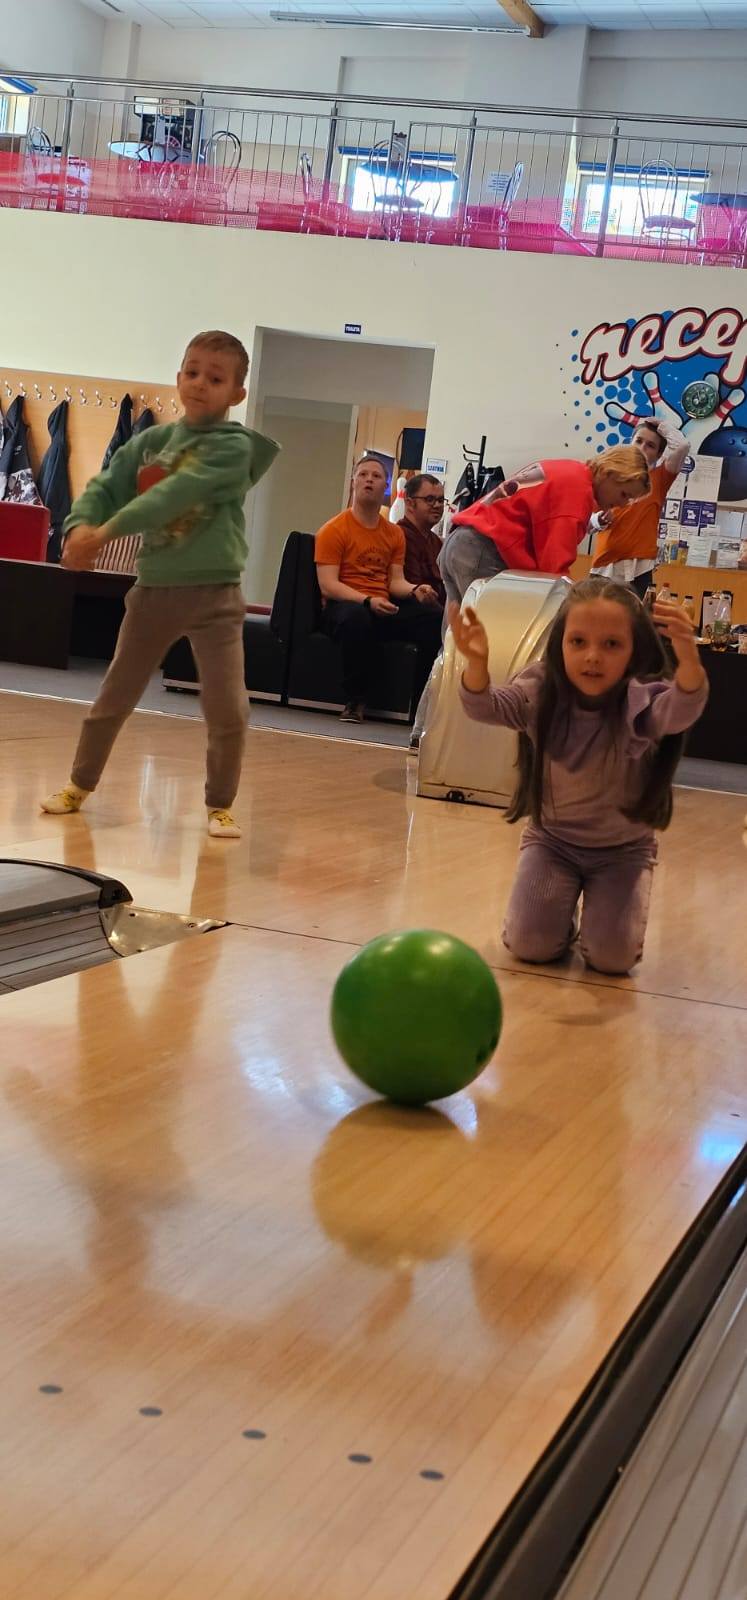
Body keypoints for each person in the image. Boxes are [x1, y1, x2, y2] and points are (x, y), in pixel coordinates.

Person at [40, 330, 279, 839]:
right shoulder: (151, 443)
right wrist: (78, 526)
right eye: (192, 372)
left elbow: (174, 494)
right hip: (153, 593)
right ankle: (79, 784)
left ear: (237, 393)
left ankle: (219, 804)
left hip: (216, 596)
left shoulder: (235, 447)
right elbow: (107, 485)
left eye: (215, 378)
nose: (200, 384)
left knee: (227, 707)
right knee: (115, 695)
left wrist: (103, 534)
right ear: (178, 377)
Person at [451, 577, 708, 975]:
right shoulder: (540, 688)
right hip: (552, 843)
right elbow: (484, 707)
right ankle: (559, 919)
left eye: (611, 644)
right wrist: (477, 666)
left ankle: (591, 919)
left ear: (634, 651)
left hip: (624, 852)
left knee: (612, 959)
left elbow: (680, 710)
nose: (592, 657)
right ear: (560, 643)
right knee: (530, 944)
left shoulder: (639, 699)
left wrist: (689, 663)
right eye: (578, 642)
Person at [439, 446, 651, 611]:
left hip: (460, 541)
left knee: (455, 639)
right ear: (607, 473)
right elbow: (553, 570)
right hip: (483, 550)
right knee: (487, 638)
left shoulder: (569, 471)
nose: (623, 504)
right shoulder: (577, 494)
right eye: (624, 494)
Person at [315, 456, 442, 724]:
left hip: (380, 605)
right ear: (353, 482)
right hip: (344, 606)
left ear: (385, 486)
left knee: (434, 619)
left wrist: (415, 590)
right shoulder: (333, 529)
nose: (369, 480)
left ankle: (421, 706)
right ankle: (355, 701)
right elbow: (328, 584)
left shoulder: (393, 534)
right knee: (356, 618)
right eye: (363, 475)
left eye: (376, 476)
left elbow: (395, 581)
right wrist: (367, 600)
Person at [590, 417, 688, 598]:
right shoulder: (608, 477)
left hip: (639, 567)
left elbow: (682, 446)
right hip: (604, 564)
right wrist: (598, 520)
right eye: (639, 441)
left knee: (636, 615)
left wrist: (662, 426)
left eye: (650, 446)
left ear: (658, 455)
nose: (642, 448)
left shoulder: (660, 478)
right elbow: (585, 523)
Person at [400, 474, 447, 614]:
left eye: (441, 500)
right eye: (429, 499)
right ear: (409, 503)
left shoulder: (435, 541)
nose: (437, 505)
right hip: (413, 612)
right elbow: (417, 591)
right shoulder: (400, 536)